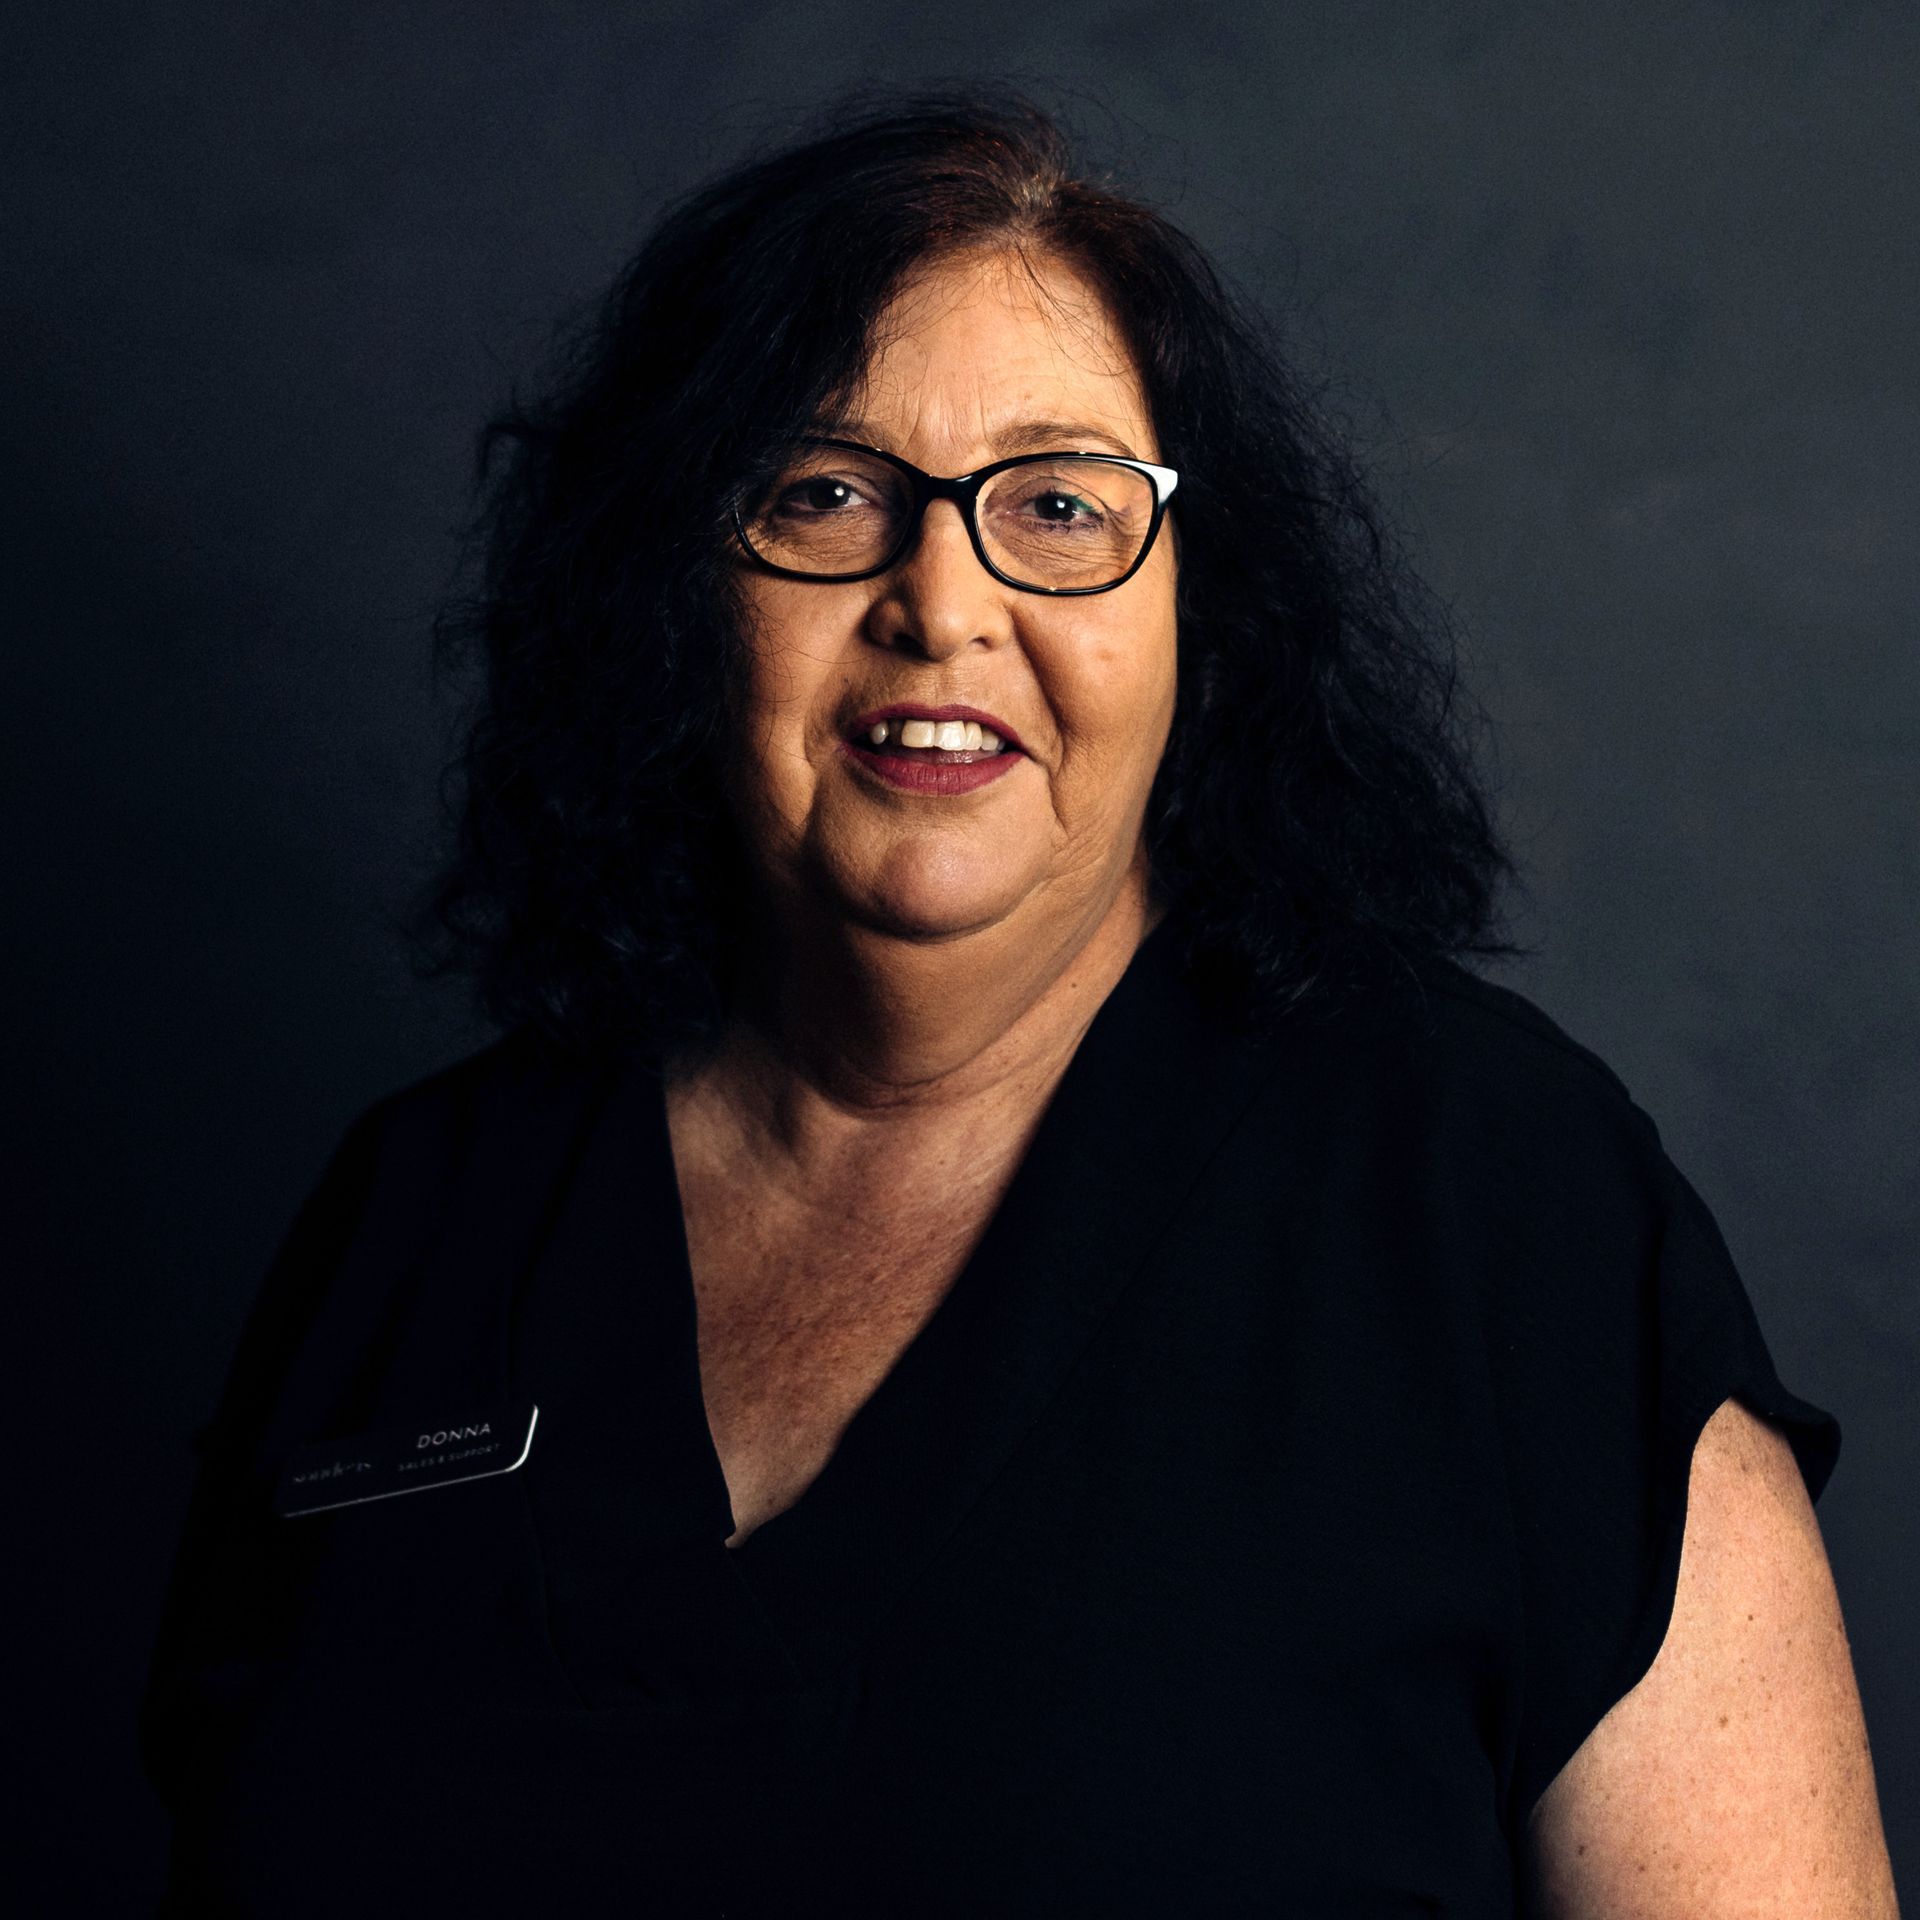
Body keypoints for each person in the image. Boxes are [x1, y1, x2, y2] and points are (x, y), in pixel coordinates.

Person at [140, 94, 1899, 1916]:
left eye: (1060, 506)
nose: (941, 599)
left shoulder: (1500, 1205)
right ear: (671, 586)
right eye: (823, 490)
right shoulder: (414, 1219)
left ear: (1205, 619)